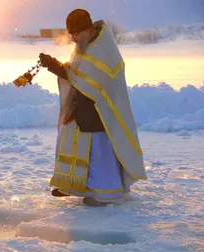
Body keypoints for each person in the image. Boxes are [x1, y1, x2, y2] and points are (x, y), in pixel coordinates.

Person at [40, 9, 147, 207]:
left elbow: (91, 79)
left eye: (76, 34)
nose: (73, 39)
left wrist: (59, 68)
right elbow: (76, 73)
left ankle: (104, 193)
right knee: (67, 134)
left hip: (102, 110)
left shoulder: (104, 47)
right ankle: (72, 186)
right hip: (83, 105)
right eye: (71, 35)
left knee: (98, 149)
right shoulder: (85, 45)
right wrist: (54, 65)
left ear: (88, 30)